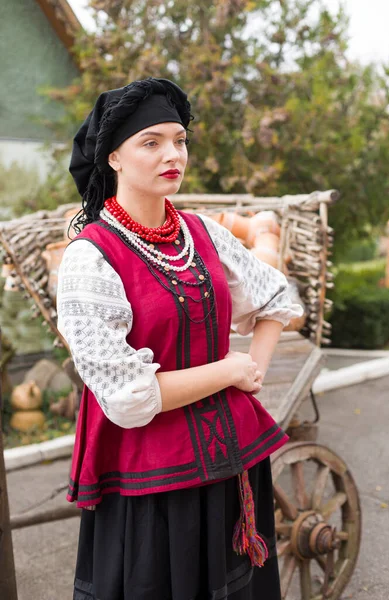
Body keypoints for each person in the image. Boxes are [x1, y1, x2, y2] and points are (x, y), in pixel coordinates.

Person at [57, 77, 303, 600]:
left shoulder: (202, 231)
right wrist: (230, 371)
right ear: (114, 159)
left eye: (180, 140)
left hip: (232, 462)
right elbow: (127, 398)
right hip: (150, 481)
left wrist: (251, 373)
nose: (173, 153)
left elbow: (276, 300)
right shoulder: (90, 256)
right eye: (152, 142)